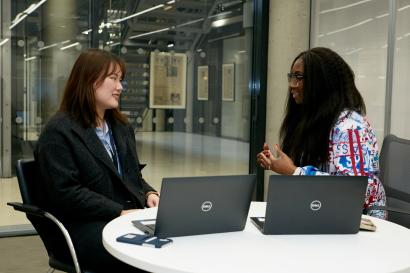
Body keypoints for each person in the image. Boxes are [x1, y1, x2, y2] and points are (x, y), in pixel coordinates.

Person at [34, 49, 159, 272]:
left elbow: (132, 176)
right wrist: (119, 211)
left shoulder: (120, 127)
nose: (120, 87)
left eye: (121, 80)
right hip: (84, 226)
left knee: (173, 244)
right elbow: (66, 194)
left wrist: (149, 193)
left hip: (124, 219)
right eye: (113, 79)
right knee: (147, 255)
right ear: (88, 80)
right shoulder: (59, 132)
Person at [257, 47, 386, 219]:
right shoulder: (314, 120)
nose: (292, 85)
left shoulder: (350, 127)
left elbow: (355, 191)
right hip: (321, 214)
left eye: (299, 77)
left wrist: (294, 172)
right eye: (292, 76)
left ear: (323, 82)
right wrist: (277, 163)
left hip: (357, 226)